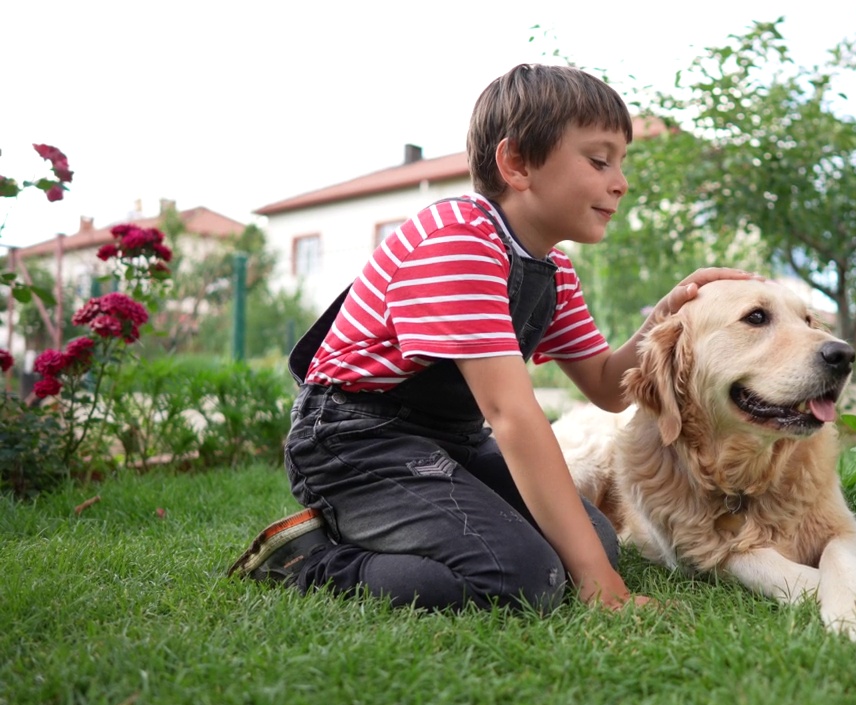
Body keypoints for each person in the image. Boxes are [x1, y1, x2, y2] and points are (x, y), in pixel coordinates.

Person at [226, 63, 754, 612]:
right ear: (517, 163)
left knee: (593, 543)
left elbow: (607, 386)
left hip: (449, 441)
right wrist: (603, 587)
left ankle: (406, 524)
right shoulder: (459, 242)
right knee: (523, 578)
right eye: (599, 161)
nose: (619, 181)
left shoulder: (552, 269)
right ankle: (308, 560)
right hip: (357, 443)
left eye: (620, 164)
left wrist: (665, 311)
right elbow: (513, 416)